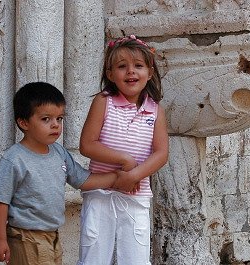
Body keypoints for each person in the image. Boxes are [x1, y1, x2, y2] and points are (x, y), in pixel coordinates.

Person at [0, 82, 121, 265]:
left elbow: (82, 180)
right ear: (23, 122)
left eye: (59, 119)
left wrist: (116, 178)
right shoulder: (15, 158)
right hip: (26, 236)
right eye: (46, 119)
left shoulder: (59, 152)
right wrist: (0, 239)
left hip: (52, 235)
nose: (55, 125)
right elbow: (0, 200)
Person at [77, 35, 169, 265]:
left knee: (136, 259)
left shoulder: (155, 110)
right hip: (100, 193)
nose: (131, 72)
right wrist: (125, 160)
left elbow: (161, 153)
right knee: (94, 256)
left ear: (149, 72)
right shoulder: (103, 101)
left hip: (136, 196)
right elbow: (87, 144)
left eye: (138, 66)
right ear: (110, 74)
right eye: (122, 66)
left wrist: (134, 175)